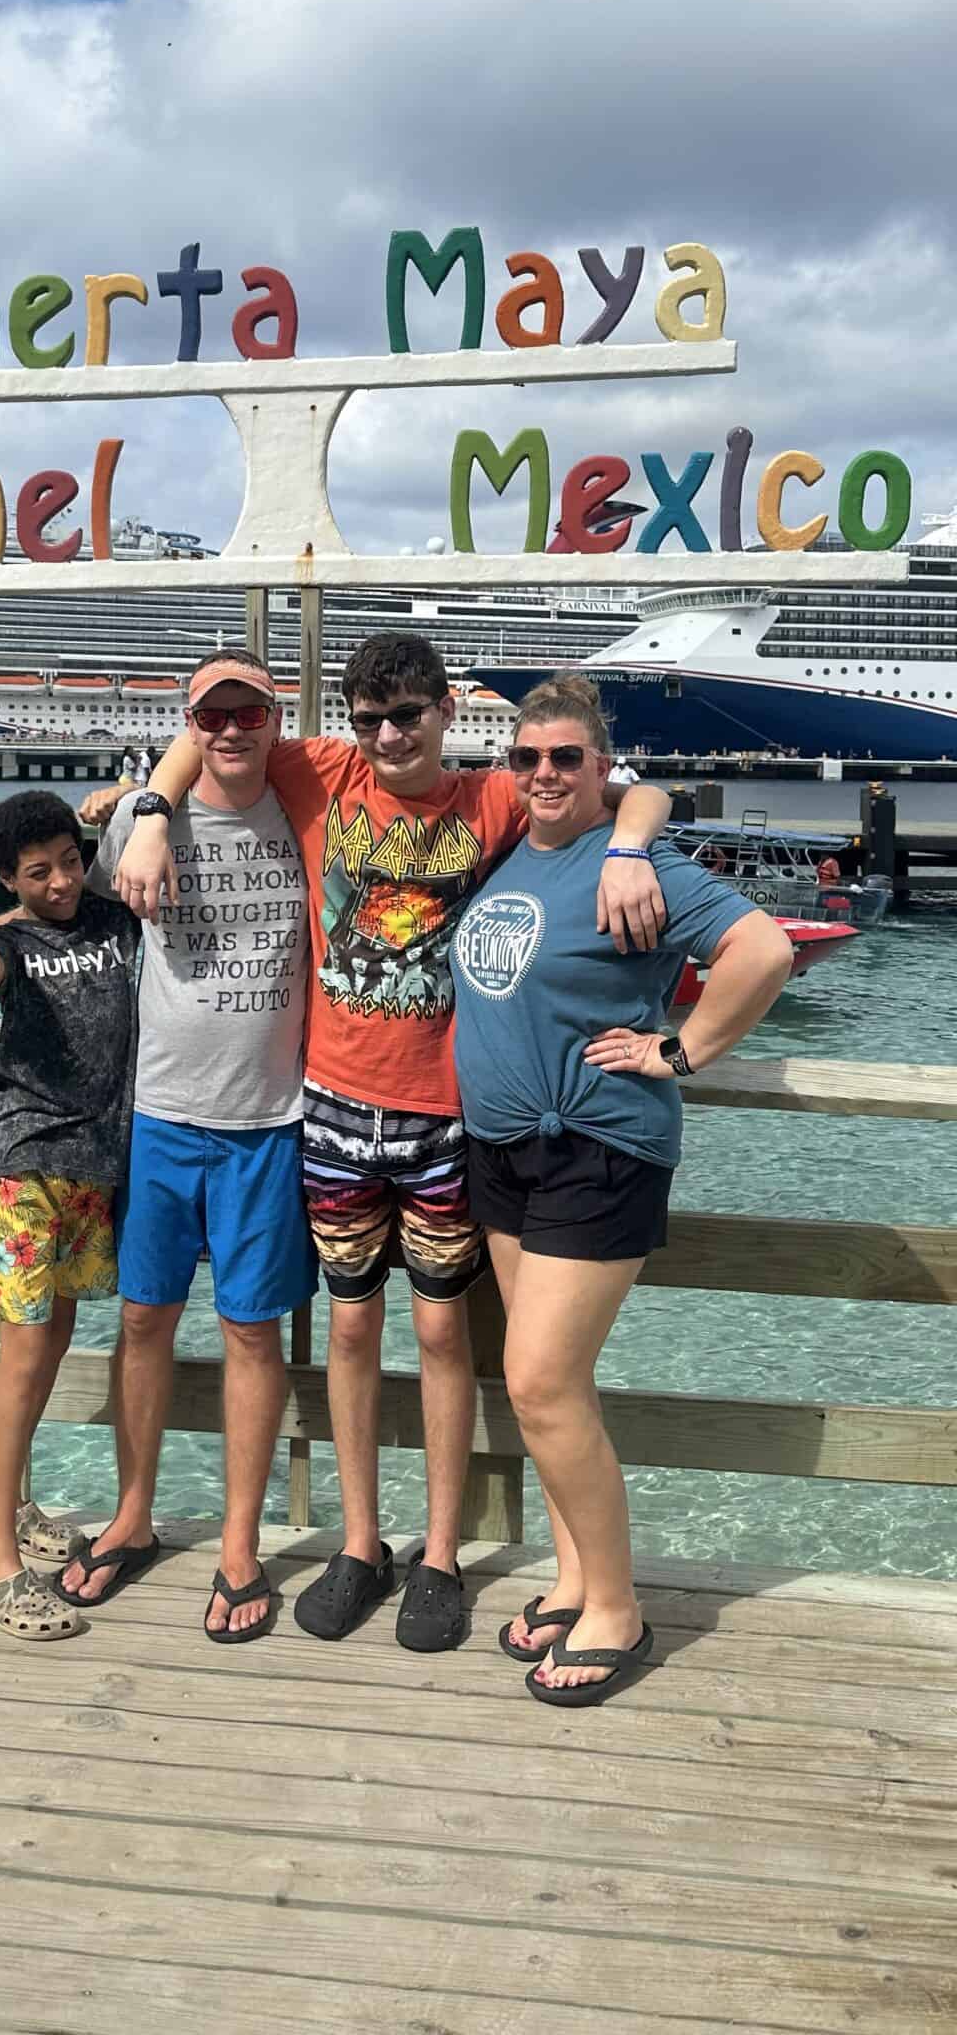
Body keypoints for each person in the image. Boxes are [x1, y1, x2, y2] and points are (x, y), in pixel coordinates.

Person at [107, 632, 672, 1654]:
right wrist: (150, 814)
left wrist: (632, 843)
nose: (386, 735)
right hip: (331, 1104)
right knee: (353, 1331)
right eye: (368, 718)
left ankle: (442, 1550)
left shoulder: (495, 798)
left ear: (447, 712)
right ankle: (362, 1541)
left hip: (441, 1115)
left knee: (448, 1334)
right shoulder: (321, 769)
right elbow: (206, 734)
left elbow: (634, 793)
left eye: (406, 716)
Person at [452, 674, 792, 1704]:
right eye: (529, 757)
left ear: (604, 768)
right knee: (549, 1387)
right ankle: (574, 1576)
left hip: (594, 1146)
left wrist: (679, 1050)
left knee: (542, 1383)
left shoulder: (630, 860)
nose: (546, 773)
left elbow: (762, 949)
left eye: (567, 757)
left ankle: (619, 1611)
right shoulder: (520, 849)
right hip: (503, 1150)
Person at [60, 649, 314, 1638]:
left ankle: (242, 1543)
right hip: (161, 1115)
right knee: (141, 1322)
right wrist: (142, 807)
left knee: (252, 1331)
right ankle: (133, 1515)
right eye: (213, 714)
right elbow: (59, 906)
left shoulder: (304, 809)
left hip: (269, 1119)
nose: (232, 729)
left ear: (276, 719)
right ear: (190, 721)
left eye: (250, 711)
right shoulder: (139, 820)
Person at [0, 791, 140, 1642]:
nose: (58, 882)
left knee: (51, 1341)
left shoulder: (114, 920)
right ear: (10, 878)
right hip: (26, 1168)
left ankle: (10, 1501)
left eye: (67, 860)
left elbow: (160, 854)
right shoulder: (6, 939)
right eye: (36, 872)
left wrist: (133, 798)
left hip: (97, 1167)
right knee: (22, 1354)